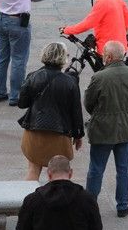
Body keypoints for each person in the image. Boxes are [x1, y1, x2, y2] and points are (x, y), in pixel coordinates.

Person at [82, 39, 128, 216]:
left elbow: (89, 103)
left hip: (102, 129)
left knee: (96, 168)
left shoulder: (99, 77)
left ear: (108, 57)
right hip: (126, 128)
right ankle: (122, 205)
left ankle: (90, 204)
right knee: (123, 169)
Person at [17, 42, 85, 180]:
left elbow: (22, 103)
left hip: (34, 131)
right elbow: (76, 111)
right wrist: (78, 135)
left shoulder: (33, 76)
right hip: (60, 135)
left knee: (33, 170)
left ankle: (30, 201)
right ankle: (55, 201)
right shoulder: (70, 81)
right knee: (59, 174)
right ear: (63, 58)